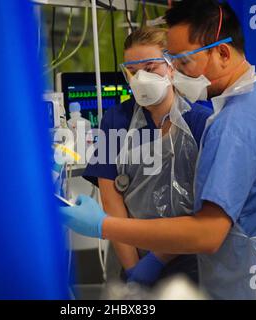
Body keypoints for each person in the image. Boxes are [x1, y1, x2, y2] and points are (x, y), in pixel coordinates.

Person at [62, 0, 256, 300]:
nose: (175, 74)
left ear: (223, 53)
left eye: (184, 62)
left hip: (250, 282)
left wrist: (105, 226)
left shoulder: (230, 125)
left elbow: (207, 233)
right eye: (172, 63)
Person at [83, 27, 212, 287]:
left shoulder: (202, 121)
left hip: (193, 259)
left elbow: (207, 208)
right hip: (133, 252)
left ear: (172, 66)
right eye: (133, 70)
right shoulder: (116, 120)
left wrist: (158, 258)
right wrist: (134, 269)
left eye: (150, 68)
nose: (141, 78)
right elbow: (112, 201)